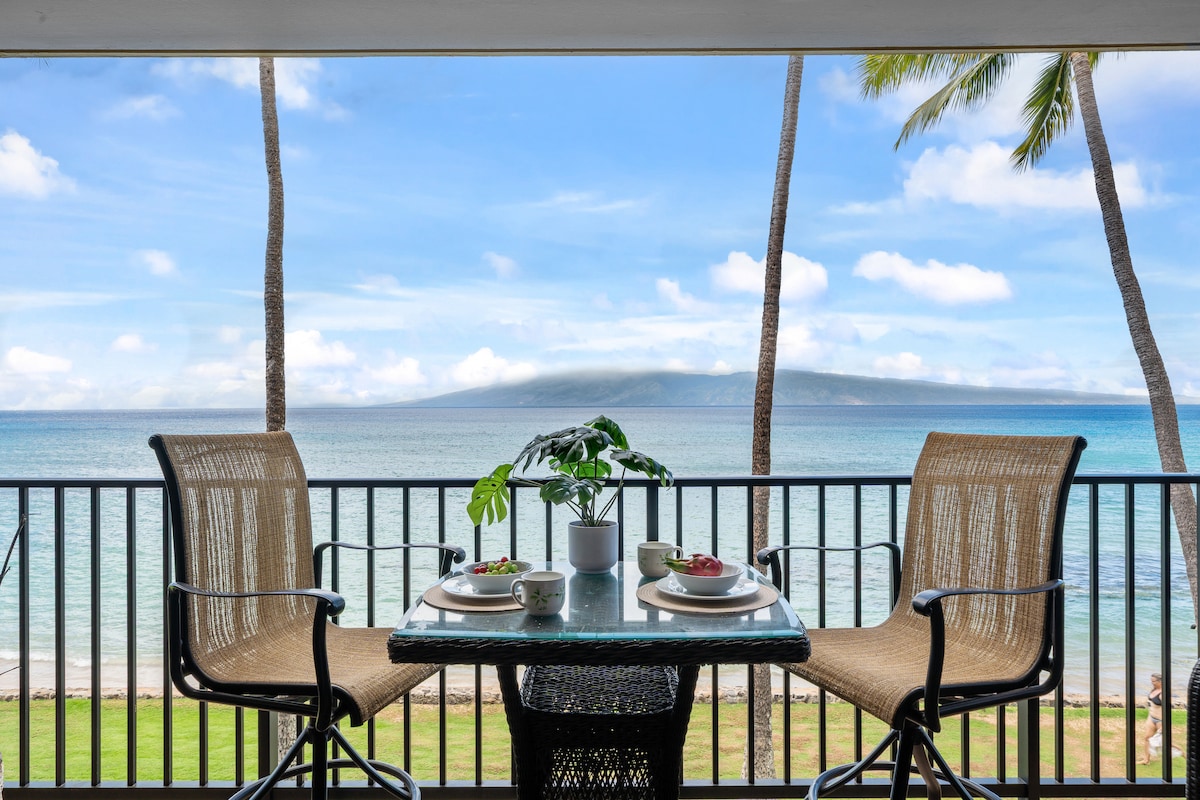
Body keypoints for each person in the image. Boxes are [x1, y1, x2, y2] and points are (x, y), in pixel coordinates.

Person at [1138, 672, 1164, 765]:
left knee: (1165, 742)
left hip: (1160, 720)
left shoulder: (1163, 693)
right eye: (1151, 681)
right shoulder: (1154, 690)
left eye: (1153, 681)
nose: (1152, 682)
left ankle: (1182, 753)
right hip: (1151, 718)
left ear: (1160, 681)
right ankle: (1146, 760)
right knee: (1147, 738)